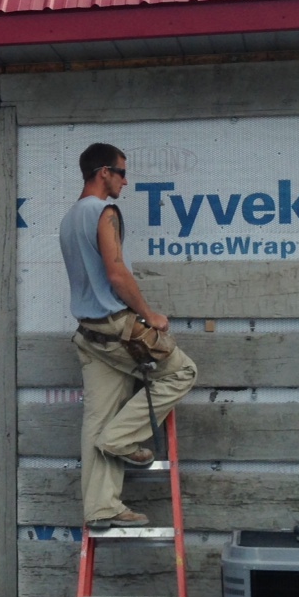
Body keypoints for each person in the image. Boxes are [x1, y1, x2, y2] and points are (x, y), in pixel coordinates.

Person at [58, 142, 197, 529]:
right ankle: (121, 439)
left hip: (89, 334)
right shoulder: (104, 211)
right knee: (183, 372)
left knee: (96, 419)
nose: (125, 180)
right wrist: (149, 314)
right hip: (117, 328)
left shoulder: (69, 218)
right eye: (121, 172)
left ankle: (101, 507)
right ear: (103, 172)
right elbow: (116, 274)